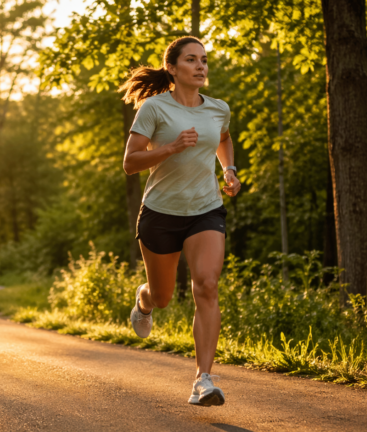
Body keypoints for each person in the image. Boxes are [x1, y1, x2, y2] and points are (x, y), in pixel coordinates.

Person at [119, 36, 241, 407]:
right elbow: (130, 163)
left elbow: (223, 138)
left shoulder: (218, 108)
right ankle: (144, 301)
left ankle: (203, 379)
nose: (201, 66)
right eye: (192, 60)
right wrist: (170, 148)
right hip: (160, 213)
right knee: (164, 296)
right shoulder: (155, 109)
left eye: (204, 60)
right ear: (172, 68)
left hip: (205, 209)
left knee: (206, 285)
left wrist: (229, 169)